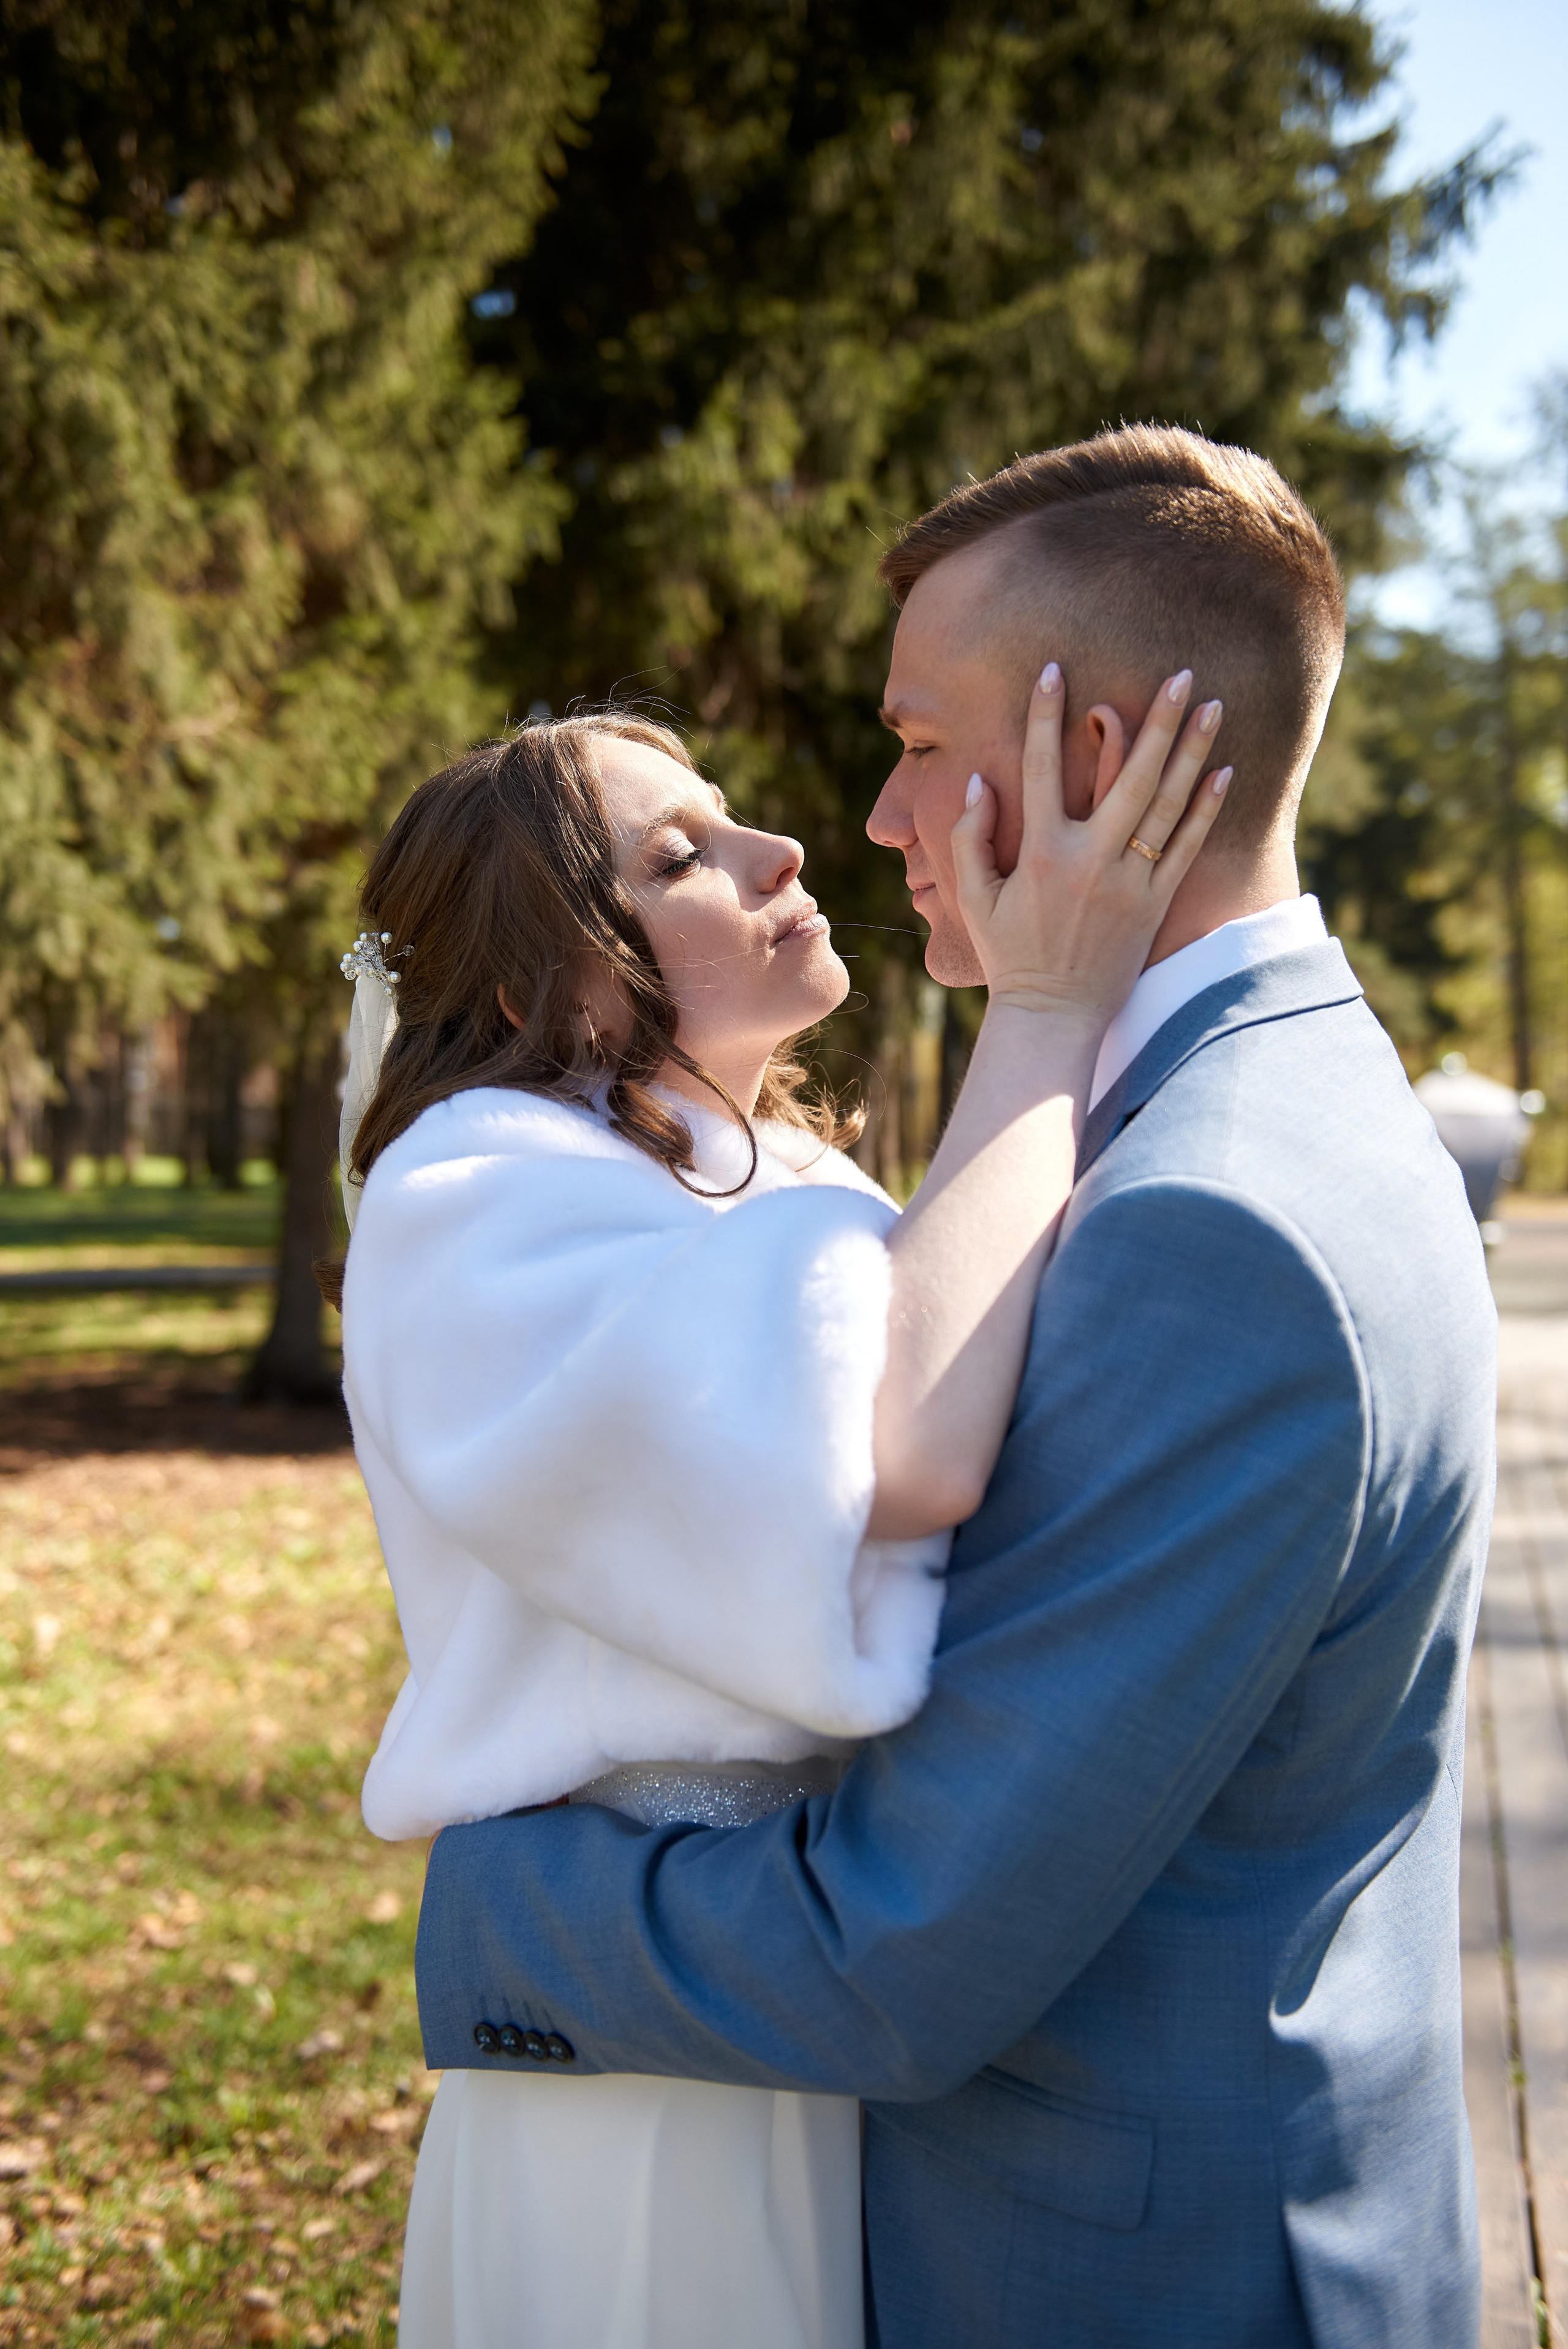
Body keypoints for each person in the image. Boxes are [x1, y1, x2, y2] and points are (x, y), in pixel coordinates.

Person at [414, 424, 1499, 2348]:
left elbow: (910, 1946)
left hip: (1133, 2280)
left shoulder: (1210, 1223)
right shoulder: (1262, 1106)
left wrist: (489, 1911)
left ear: (1094, 756)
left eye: (919, 740)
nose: (877, 812)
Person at [336, 671, 1225, 2347]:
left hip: (873, 1976)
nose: (782, 845)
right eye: (686, 854)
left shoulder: (814, 1185)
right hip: (657, 2047)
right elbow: (894, 1457)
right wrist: (1039, 1004)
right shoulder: (471, 1200)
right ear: (560, 977)